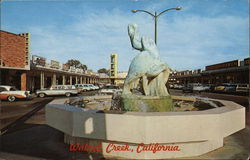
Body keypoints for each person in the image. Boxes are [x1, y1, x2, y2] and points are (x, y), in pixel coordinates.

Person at [122, 23, 170, 96]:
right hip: (147, 61)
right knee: (136, 76)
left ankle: (151, 91)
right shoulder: (148, 50)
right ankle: (130, 89)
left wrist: (133, 34)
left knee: (162, 70)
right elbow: (135, 44)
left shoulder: (149, 46)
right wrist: (133, 34)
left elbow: (136, 44)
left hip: (150, 62)